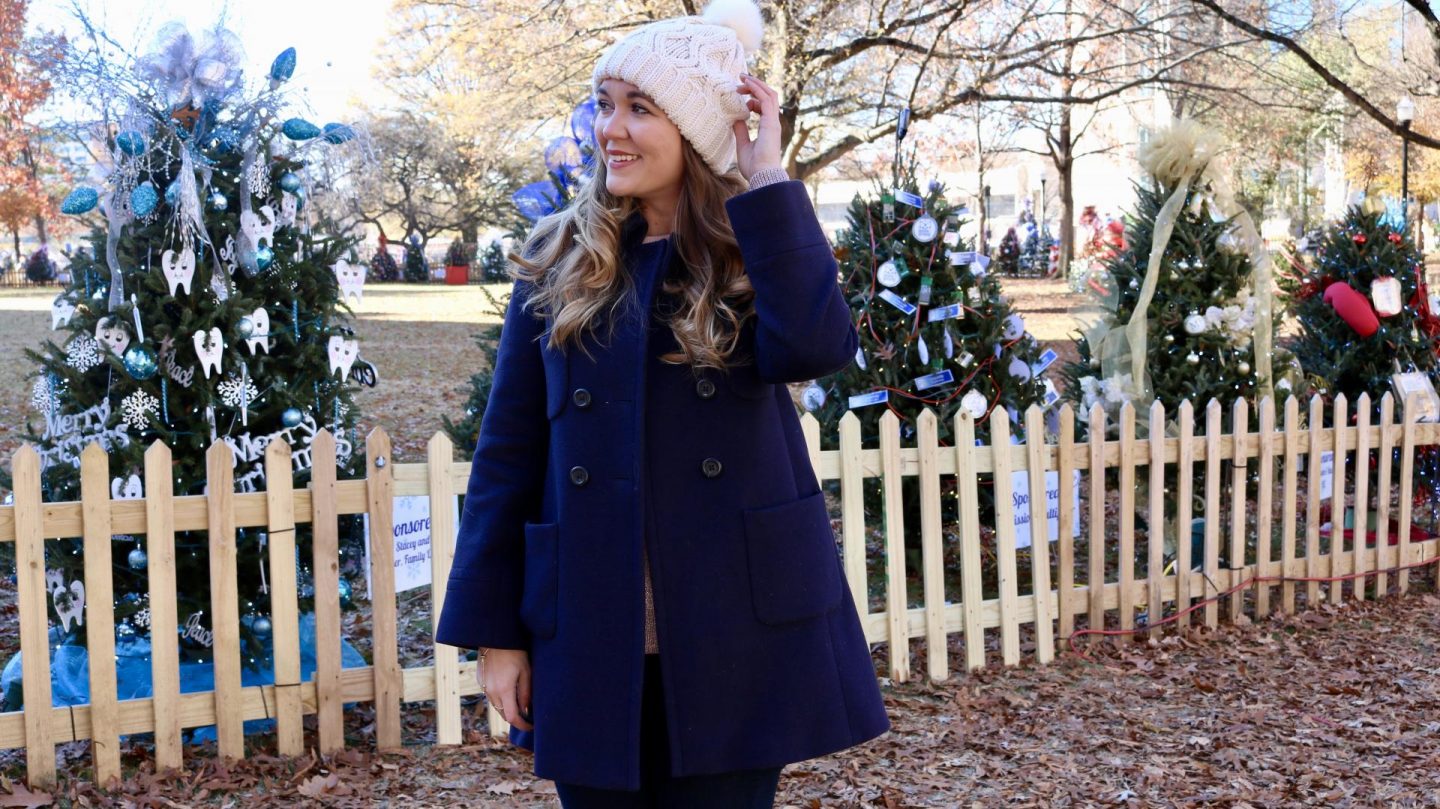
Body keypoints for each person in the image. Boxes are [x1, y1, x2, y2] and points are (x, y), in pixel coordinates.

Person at [434, 0, 890, 806]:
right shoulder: (560, 264)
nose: (611, 128)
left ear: (695, 131)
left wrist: (768, 180)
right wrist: (495, 632)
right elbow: (507, 454)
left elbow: (820, 346)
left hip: (734, 635)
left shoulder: (752, 250)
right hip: (587, 628)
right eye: (606, 104)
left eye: (641, 109)